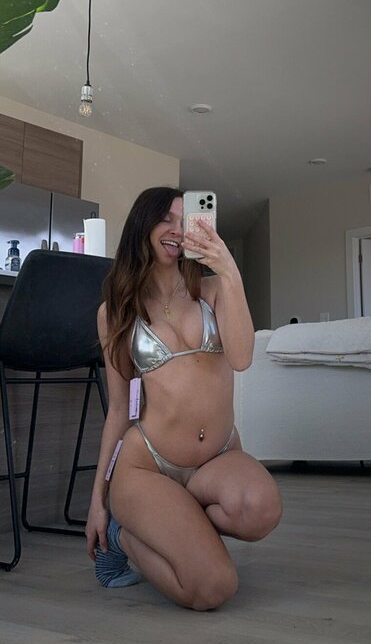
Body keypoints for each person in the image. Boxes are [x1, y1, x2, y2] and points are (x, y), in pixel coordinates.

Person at [85, 186, 283, 609]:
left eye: (185, 219)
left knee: (262, 509)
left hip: (217, 458)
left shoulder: (213, 290)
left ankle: (176, 524)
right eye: (166, 219)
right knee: (213, 588)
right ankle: (122, 536)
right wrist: (97, 501)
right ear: (143, 225)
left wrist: (229, 270)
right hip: (147, 465)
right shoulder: (116, 311)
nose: (177, 230)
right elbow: (119, 409)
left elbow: (242, 358)